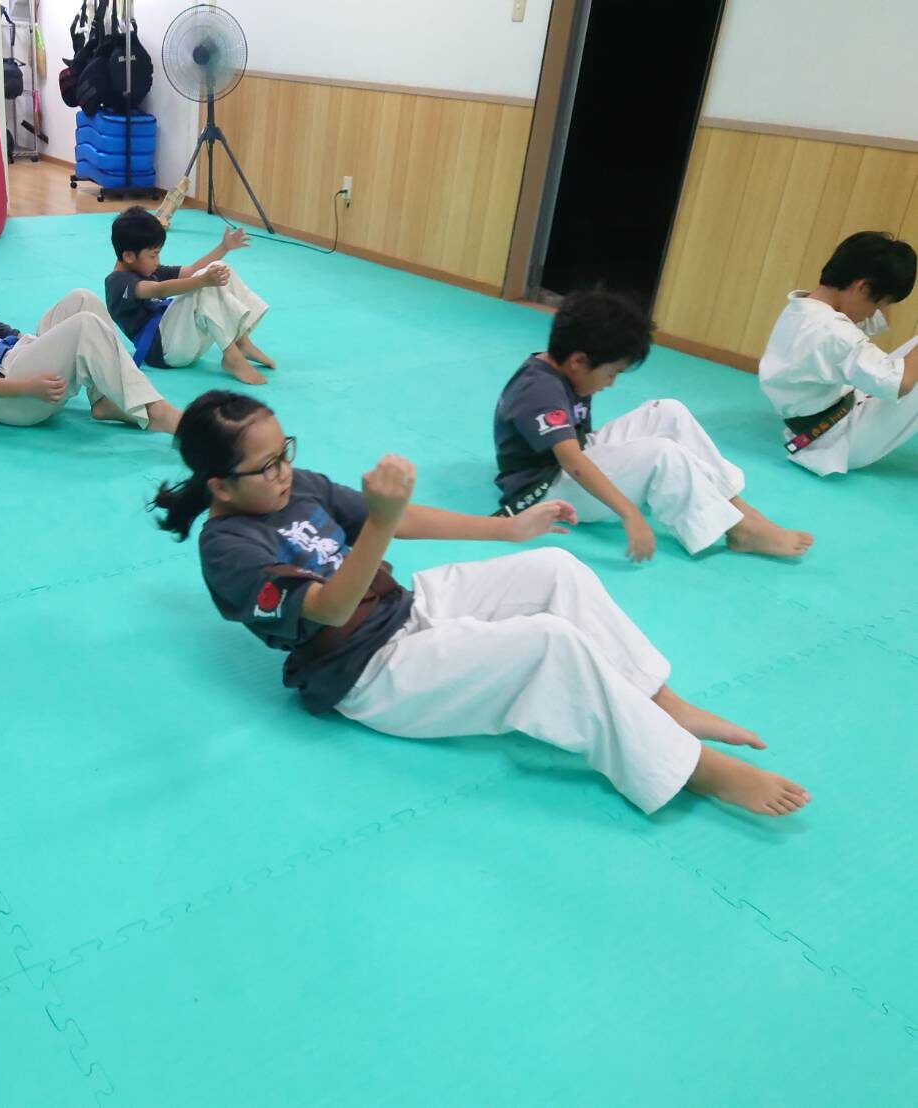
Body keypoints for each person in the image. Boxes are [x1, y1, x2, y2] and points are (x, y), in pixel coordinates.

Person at [153, 390, 810, 818]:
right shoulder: (227, 549)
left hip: (405, 609)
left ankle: (660, 701)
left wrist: (507, 529)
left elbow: (404, 521)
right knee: (546, 645)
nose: (284, 472)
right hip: (368, 672)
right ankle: (690, 768)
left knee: (554, 569)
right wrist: (380, 521)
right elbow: (327, 608)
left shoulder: (296, 486)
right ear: (220, 486)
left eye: (284, 454)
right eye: (266, 466)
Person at [494, 289, 811, 561]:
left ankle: (736, 507)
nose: (611, 383)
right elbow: (573, 462)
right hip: (547, 489)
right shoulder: (541, 390)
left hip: (571, 457)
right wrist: (629, 513)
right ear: (578, 361)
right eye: (612, 373)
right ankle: (737, 530)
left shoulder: (565, 367)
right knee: (660, 453)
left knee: (669, 412)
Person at [0, 223, 180, 433]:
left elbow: (8, 333)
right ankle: (158, 412)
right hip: (6, 399)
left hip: (19, 360)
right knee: (84, 326)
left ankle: (103, 399)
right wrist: (28, 387)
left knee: (83, 300)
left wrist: (46, 346)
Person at [759, 230, 918, 475]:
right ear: (862, 287)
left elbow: (878, 320)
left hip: (826, 420)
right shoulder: (834, 333)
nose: (876, 311)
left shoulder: (804, 308)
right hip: (840, 439)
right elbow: (902, 384)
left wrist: (886, 267)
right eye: (879, 303)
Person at [106, 206, 273, 385]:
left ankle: (241, 342)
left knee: (219, 268)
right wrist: (203, 280)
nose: (157, 261)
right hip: (163, 351)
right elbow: (159, 289)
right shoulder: (117, 282)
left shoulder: (147, 269)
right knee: (203, 283)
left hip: (181, 341)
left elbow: (192, 270)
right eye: (153, 255)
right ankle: (231, 356)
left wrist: (224, 247)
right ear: (129, 256)